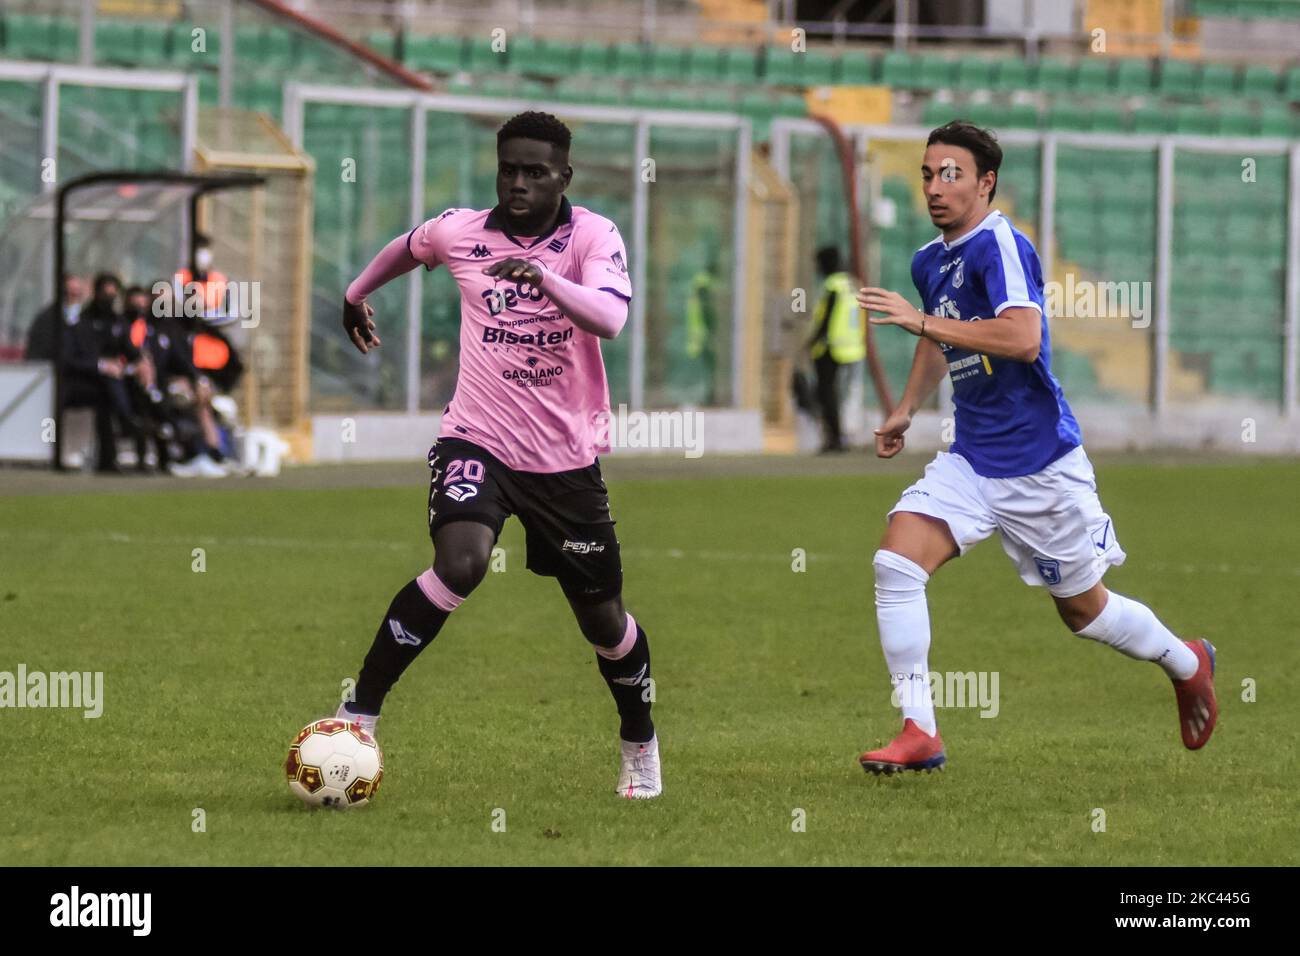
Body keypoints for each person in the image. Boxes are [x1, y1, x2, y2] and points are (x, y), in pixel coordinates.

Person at [854, 121, 1217, 774]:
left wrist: (924, 320)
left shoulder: (1003, 246)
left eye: (952, 174)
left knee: (1085, 612)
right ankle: (920, 731)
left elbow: (1021, 337)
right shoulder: (928, 261)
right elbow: (943, 341)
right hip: (971, 461)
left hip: (1040, 467)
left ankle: (1187, 661)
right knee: (895, 566)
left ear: (987, 182)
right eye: (928, 174)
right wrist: (906, 408)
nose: (936, 187)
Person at [332, 111, 661, 799]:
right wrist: (358, 292)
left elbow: (610, 317)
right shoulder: (463, 231)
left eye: (535, 173)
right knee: (461, 562)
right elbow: (410, 244)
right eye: (508, 169)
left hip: (565, 462)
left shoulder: (593, 236)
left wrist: (545, 280)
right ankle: (358, 713)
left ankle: (638, 739)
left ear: (563, 177)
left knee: (604, 621)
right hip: (476, 439)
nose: (518, 183)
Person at [806, 246, 865, 453]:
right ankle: (842, 436)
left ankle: (835, 438)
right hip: (854, 347)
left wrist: (813, 341)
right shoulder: (852, 284)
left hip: (832, 348)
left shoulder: (833, 285)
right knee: (844, 394)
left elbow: (827, 318)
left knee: (826, 394)